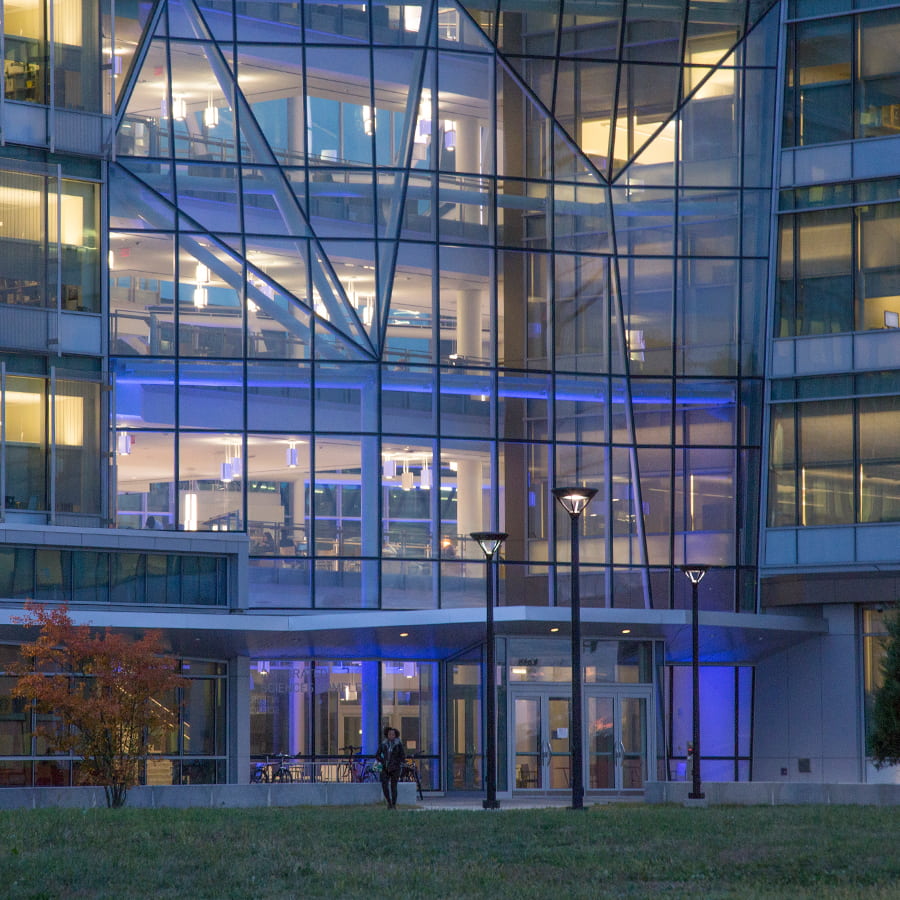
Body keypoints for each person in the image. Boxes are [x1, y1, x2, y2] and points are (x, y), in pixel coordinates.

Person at [375, 726, 405, 809]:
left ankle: (394, 804)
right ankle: (389, 802)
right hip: (385, 767)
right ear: (387, 735)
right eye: (389, 734)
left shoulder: (398, 745)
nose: (391, 736)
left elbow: (402, 756)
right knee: (384, 785)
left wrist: (396, 762)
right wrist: (383, 761)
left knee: (393, 786)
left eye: (393, 734)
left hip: (395, 768)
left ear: (395, 735)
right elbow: (377, 755)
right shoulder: (383, 744)